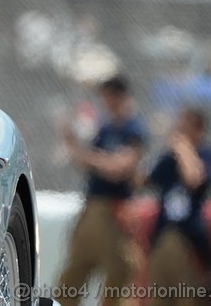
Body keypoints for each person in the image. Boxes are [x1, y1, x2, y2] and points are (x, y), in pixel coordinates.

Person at [55, 74, 148, 306]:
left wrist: (92, 159)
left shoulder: (132, 129)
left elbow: (120, 168)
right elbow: (87, 163)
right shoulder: (105, 129)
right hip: (92, 208)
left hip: (114, 211)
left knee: (119, 273)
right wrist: (73, 143)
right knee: (73, 273)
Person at [144, 106, 211, 306]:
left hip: (189, 239)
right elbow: (144, 181)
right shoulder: (169, 160)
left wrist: (183, 148)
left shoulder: (207, 155)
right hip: (164, 235)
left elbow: (194, 179)